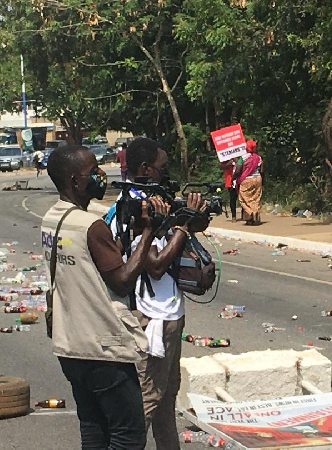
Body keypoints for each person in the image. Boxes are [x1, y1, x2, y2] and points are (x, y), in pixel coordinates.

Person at [41, 145, 166, 449]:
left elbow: (91, 266)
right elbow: (122, 281)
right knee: (128, 435)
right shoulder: (91, 226)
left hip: (70, 345)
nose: (101, 175)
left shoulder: (53, 218)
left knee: (94, 429)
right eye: (93, 171)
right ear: (74, 181)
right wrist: (149, 231)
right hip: (103, 350)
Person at [113, 137, 209, 450]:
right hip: (154, 315)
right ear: (145, 168)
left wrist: (191, 217)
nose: (166, 173)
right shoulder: (141, 206)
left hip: (166, 313)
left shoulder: (148, 199)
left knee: (166, 400)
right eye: (162, 168)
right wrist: (180, 227)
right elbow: (154, 265)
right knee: (148, 401)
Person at [234, 139, 264, 225]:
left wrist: (234, 178)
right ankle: (255, 217)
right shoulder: (259, 158)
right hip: (258, 179)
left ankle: (251, 213)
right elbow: (262, 171)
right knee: (255, 199)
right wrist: (263, 183)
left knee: (243, 199)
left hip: (246, 180)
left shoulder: (242, 158)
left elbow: (238, 170)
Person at [220, 157, 239, 222]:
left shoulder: (240, 157)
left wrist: (237, 161)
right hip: (230, 181)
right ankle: (234, 216)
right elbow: (221, 166)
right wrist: (229, 163)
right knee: (232, 199)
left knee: (243, 198)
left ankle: (245, 215)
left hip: (240, 180)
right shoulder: (225, 158)